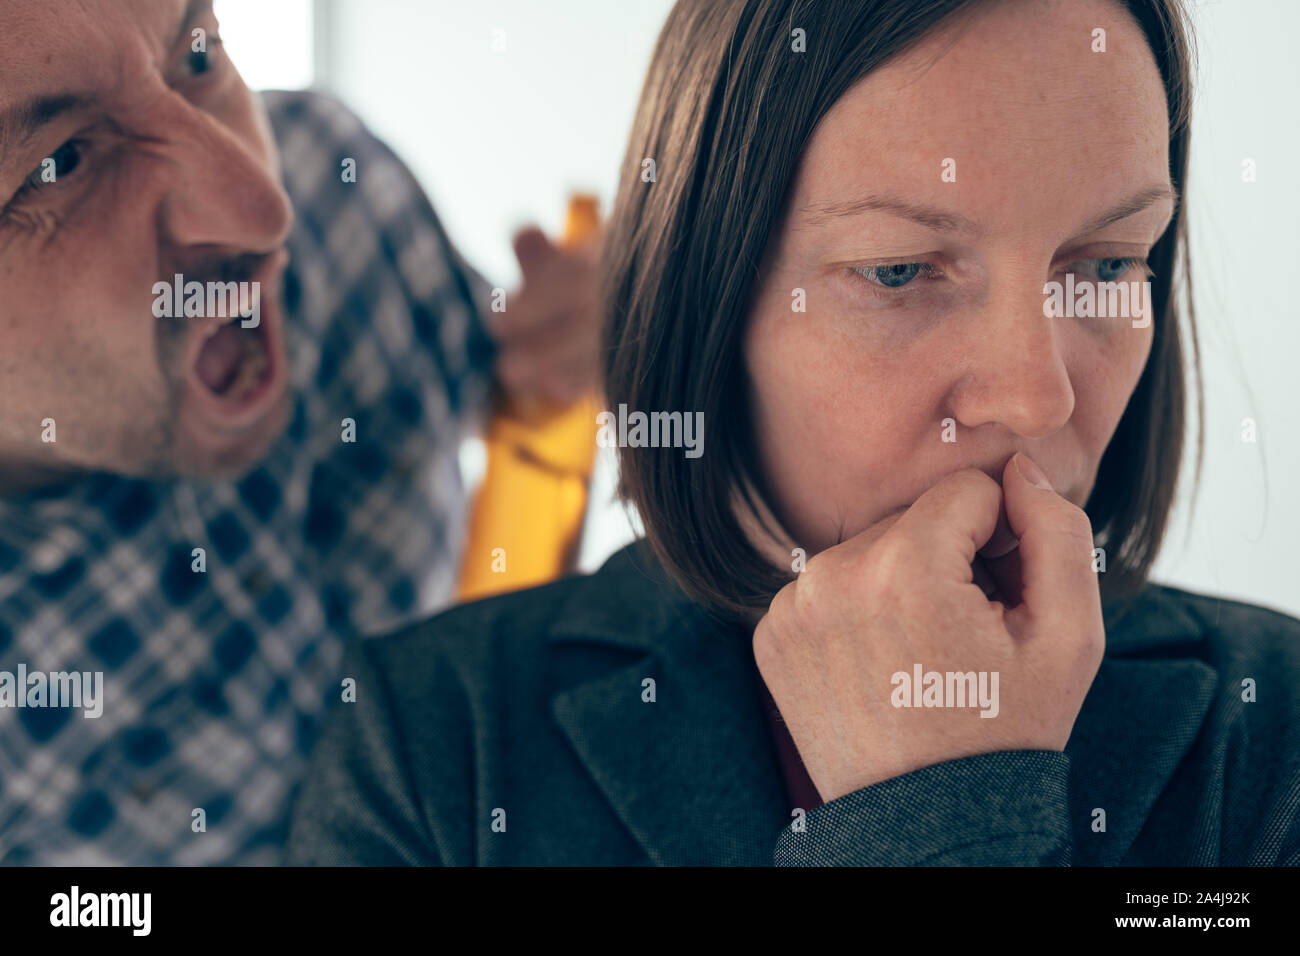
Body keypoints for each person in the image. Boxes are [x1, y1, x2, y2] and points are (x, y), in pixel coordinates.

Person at [287, 0, 1300, 866]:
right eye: (900, 271)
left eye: (1108, 266)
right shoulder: (427, 742)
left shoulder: (1278, 727)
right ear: (707, 305)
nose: (1038, 399)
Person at [0, 0, 599, 865]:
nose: (261, 207)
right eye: (59, 163)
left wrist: (606, 330)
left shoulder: (331, 185)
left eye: (197, 58)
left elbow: (526, 389)